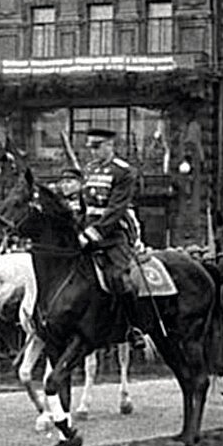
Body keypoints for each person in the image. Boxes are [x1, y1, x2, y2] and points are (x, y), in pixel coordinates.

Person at [78, 128, 141, 336]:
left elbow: (116, 210)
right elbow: (84, 205)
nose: (93, 152)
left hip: (112, 236)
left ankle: (133, 326)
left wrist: (93, 234)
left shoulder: (124, 172)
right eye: (90, 148)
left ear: (109, 146)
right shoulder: (88, 170)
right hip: (86, 234)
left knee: (120, 279)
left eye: (97, 147)